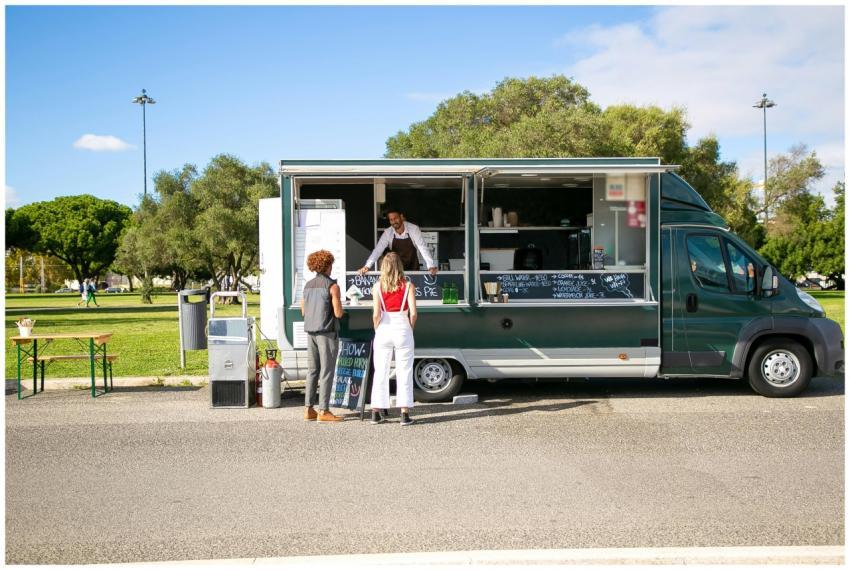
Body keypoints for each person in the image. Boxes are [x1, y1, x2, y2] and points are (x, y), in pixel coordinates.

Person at [370, 252, 417, 426]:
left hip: (383, 329)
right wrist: (409, 328)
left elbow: (376, 314)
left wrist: (377, 328)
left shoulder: (377, 287)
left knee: (380, 371)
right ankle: (404, 413)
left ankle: (375, 411)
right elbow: (413, 313)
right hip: (403, 328)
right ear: (399, 266)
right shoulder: (408, 286)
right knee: (404, 370)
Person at [300, 249, 345, 423]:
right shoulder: (332, 286)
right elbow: (339, 313)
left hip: (310, 332)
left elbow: (304, 311)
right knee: (327, 371)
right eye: (331, 264)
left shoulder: (308, 285)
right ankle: (324, 411)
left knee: (313, 371)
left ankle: (308, 409)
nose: (332, 267)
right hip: (327, 332)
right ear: (326, 266)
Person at [358, 209, 437, 276]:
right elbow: (378, 250)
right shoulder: (388, 232)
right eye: (391, 220)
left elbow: (422, 247)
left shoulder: (413, 229)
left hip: (413, 268)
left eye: (395, 218)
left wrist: (430, 266)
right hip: (396, 270)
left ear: (401, 217)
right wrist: (367, 266)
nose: (393, 222)